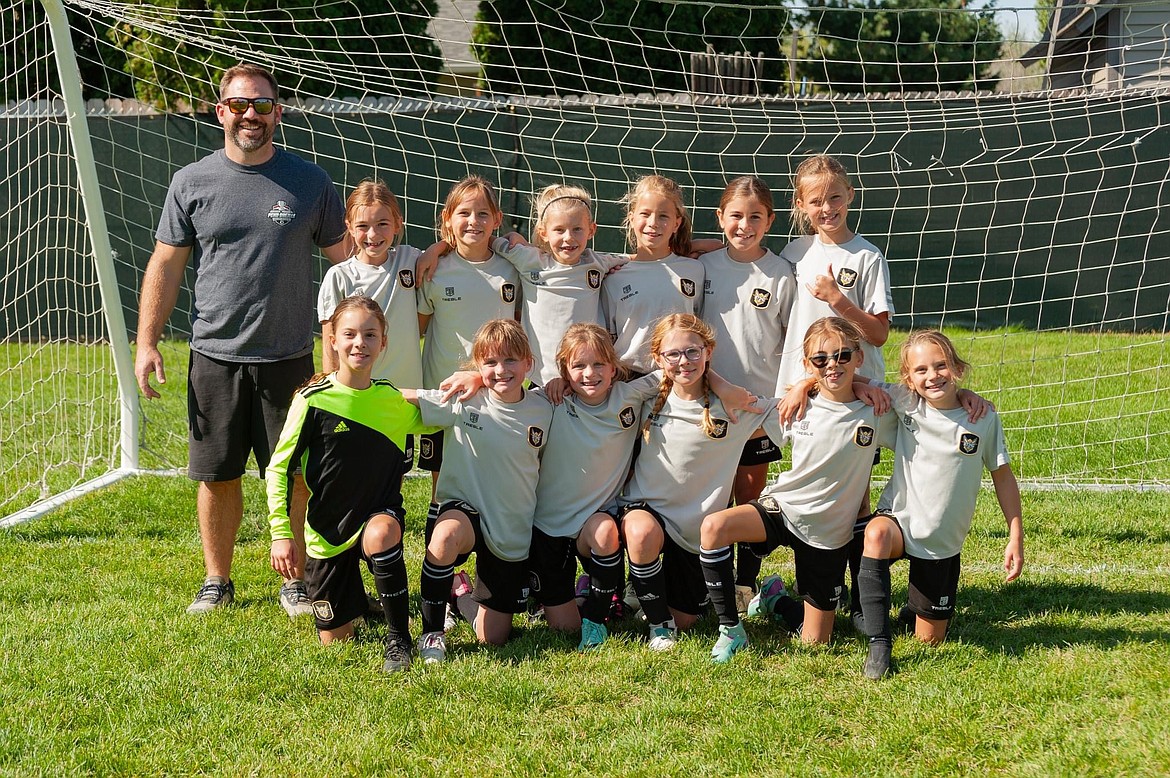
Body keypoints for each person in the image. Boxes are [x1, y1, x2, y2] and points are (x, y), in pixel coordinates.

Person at [133, 62, 348, 616]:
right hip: (215, 357)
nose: (251, 114)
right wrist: (147, 342)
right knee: (218, 474)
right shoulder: (192, 182)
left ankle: (294, 581)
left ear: (279, 112)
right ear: (220, 110)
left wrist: (419, 272)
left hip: (293, 359)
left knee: (297, 475)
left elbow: (349, 264)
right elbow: (165, 264)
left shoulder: (311, 183)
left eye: (263, 105)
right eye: (240, 104)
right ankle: (217, 581)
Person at [698, 317, 898, 662]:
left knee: (816, 643)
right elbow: (740, 404)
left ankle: (776, 598)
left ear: (859, 357)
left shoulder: (878, 406)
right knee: (714, 527)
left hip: (829, 534)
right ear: (808, 364)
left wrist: (967, 396)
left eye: (842, 356)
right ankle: (731, 630)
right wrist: (803, 386)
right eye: (820, 359)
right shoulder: (794, 405)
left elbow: (928, 395)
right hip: (785, 508)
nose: (832, 365)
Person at [267, 297, 434, 672]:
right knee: (335, 642)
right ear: (333, 341)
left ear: (383, 343)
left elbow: (440, 418)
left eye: (370, 335)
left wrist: (476, 381)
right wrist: (281, 533)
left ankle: (399, 639)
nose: (360, 343)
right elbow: (279, 469)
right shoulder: (312, 402)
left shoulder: (390, 400)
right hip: (326, 531)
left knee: (382, 531)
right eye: (350, 334)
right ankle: (358, 601)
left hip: (377, 517)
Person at [855, 329, 1023, 679]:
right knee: (875, 534)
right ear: (908, 379)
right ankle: (878, 641)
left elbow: (1003, 476)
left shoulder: (982, 418)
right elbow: (852, 381)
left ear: (957, 368)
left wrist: (1015, 535)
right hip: (899, 520)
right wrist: (801, 386)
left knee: (929, 640)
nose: (932, 376)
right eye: (921, 370)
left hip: (940, 543)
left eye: (941, 365)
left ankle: (915, 611)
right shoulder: (905, 404)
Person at [775, 154, 896, 621]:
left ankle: (861, 597)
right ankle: (819, 592)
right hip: (803, 395)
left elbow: (880, 333)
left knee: (854, 495)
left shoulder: (866, 256)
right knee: (810, 491)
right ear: (801, 205)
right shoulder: (792, 253)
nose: (827, 208)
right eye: (816, 201)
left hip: (852, 393)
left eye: (835, 198)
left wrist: (837, 298)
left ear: (850, 197)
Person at [619, 314, 779, 651]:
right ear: (658, 358)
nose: (684, 362)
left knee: (688, 621)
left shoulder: (733, 408)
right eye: (673, 354)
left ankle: (674, 594)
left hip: (695, 533)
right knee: (640, 532)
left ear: (709, 351)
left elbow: (790, 410)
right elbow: (595, 394)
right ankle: (659, 625)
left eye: (693, 352)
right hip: (648, 513)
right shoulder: (645, 397)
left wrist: (810, 386)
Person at [400, 319, 553, 662]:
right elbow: (407, 398)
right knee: (443, 538)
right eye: (490, 362)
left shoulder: (545, 408)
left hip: (509, 527)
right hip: (465, 508)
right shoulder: (464, 399)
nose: (501, 370)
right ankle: (432, 634)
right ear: (477, 366)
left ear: (529, 362)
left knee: (493, 637)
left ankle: (462, 594)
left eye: (511, 360)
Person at [699, 176, 798, 611]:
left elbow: (792, 339)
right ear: (720, 218)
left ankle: (746, 584)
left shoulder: (780, 273)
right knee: (708, 495)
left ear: (770, 220)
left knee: (748, 497)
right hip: (706, 404)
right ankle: (705, 579)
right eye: (735, 216)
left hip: (759, 408)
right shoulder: (703, 268)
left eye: (755, 216)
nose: (744, 225)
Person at [415, 175, 520, 535]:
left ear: (497, 219)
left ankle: (491, 569)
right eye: (463, 213)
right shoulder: (433, 269)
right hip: (442, 395)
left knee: (493, 483)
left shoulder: (512, 269)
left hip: (496, 396)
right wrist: (437, 249)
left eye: (482, 213)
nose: (473, 221)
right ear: (447, 218)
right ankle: (443, 573)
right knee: (441, 484)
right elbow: (418, 327)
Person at [318, 179, 423, 492]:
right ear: (349, 226)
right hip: (357, 398)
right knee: (352, 480)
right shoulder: (339, 277)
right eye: (363, 225)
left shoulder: (411, 261)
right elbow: (329, 344)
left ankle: (384, 537)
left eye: (382, 224)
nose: (373, 234)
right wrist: (330, 394)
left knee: (391, 480)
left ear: (397, 224)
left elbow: (450, 250)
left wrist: (439, 248)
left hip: (399, 399)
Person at [492, 185, 629, 385]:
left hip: (587, 379)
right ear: (543, 232)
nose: (568, 237)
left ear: (591, 230)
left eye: (577, 229)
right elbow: (481, 240)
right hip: (541, 380)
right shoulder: (528, 259)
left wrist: (690, 249)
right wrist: (437, 250)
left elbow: (642, 258)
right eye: (559, 230)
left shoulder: (598, 263)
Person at [603, 175, 705, 375]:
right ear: (632, 219)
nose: (653, 223)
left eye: (663, 216)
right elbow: (608, 336)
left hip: (681, 375)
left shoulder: (695, 269)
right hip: (628, 379)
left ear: (677, 223)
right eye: (645, 214)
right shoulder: (614, 276)